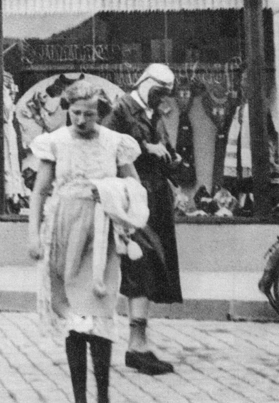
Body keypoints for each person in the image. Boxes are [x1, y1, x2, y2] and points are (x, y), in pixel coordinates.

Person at [28, 81, 141, 403]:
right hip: (64, 229)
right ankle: (80, 398)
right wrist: (33, 234)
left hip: (102, 233)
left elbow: (135, 186)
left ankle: (103, 396)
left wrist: (111, 192)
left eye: (89, 114)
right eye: (76, 113)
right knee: (75, 318)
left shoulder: (115, 142)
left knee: (100, 312)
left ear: (100, 112)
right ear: (68, 110)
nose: (81, 120)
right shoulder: (56, 142)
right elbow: (39, 191)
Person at [105, 63, 182, 375]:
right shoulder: (121, 109)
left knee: (152, 268)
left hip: (156, 199)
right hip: (135, 199)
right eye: (159, 91)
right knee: (141, 267)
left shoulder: (153, 114)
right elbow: (107, 149)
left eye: (166, 93)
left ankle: (139, 343)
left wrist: (171, 158)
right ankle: (137, 346)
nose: (162, 98)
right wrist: (145, 148)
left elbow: (163, 150)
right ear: (145, 82)